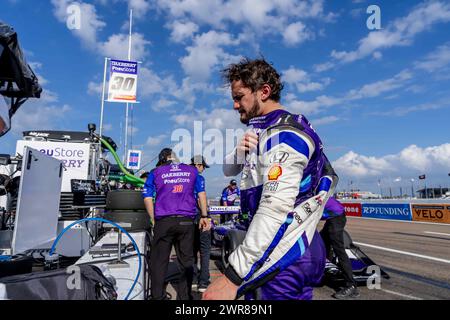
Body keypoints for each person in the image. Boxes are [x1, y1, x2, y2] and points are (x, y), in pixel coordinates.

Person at [203, 58, 338, 300]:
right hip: (280, 247)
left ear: (264, 92)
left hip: (283, 252)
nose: (235, 105)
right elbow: (227, 170)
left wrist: (233, 276)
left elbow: (275, 208)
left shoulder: (284, 134)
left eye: (239, 97)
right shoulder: (263, 130)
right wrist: (239, 152)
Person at [142, 148, 209, 300]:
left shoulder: (156, 172)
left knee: (159, 261)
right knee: (187, 261)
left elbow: (147, 197)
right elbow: (201, 194)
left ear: (163, 160)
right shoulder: (192, 171)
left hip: (164, 221)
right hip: (187, 222)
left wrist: (153, 219)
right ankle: (185, 297)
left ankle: (157, 296)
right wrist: (204, 215)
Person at [321, 197, 359, 299]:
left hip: (336, 217)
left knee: (339, 251)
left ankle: (351, 286)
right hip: (332, 216)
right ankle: (327, 271)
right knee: (322, 242)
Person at [190, 155, 212, 293]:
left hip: (186, 217)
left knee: (191, 250)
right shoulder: (198, 177)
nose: (203, 169)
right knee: (205, 250)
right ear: (198, 165)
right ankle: (203, 282)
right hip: (199, 215)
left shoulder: (184, 176)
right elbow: (200, 197)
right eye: (203, 166)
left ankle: (192, 279)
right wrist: (206, 216)